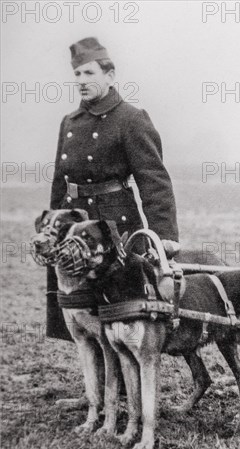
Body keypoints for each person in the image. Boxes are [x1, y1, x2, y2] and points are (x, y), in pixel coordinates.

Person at [46, 37, 180, 404]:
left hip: (113, 225)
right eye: (76, 73)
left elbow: (153, 179)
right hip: (75, 226)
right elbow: (60, 180)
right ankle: (99, 393)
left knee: (118, 306)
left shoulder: (131, 119)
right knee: (82, 305)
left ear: (110, 74)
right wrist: (52, 227)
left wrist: (163, 234)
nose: (81, 79)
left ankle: (125, 393)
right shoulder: (68, 122)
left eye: (88, 72)